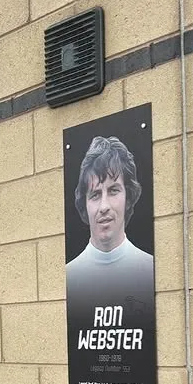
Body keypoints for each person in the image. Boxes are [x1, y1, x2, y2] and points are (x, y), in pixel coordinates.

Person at [66, 136, 154, 320]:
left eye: (113, 190)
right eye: (95, 194)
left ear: (128, 198)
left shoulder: (149, 269)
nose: (104, 206)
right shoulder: (70, 276)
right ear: (85, 204)